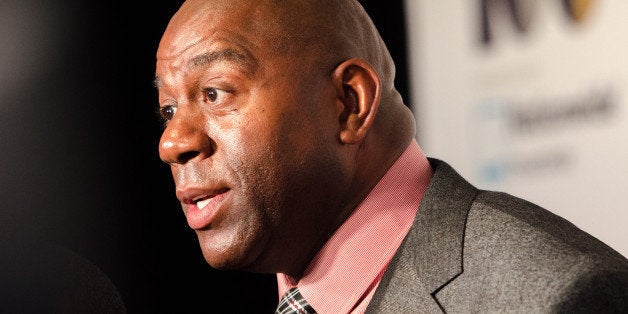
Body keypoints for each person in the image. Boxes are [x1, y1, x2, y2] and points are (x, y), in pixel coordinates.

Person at [154, 0, 628, 312]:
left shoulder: (557, 297)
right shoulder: (296, 290)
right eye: (169, 109)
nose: (172, 143)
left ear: (349, 103)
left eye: (214, 92)